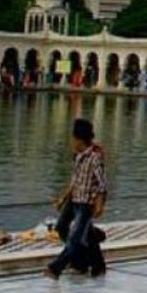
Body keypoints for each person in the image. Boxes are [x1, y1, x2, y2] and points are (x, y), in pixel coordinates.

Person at [47, 117, 108, 279]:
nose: (71, 141)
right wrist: (62, 198)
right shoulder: (79, 156)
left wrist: (99, 205)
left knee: (76, 238)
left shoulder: (95, 158)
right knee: (62, 228)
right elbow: (75, 180)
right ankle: (93, 263)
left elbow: (102, 184)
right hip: (74, 200)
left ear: (79, 139)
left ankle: (56, 268)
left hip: (85, 204)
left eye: (73, 138)